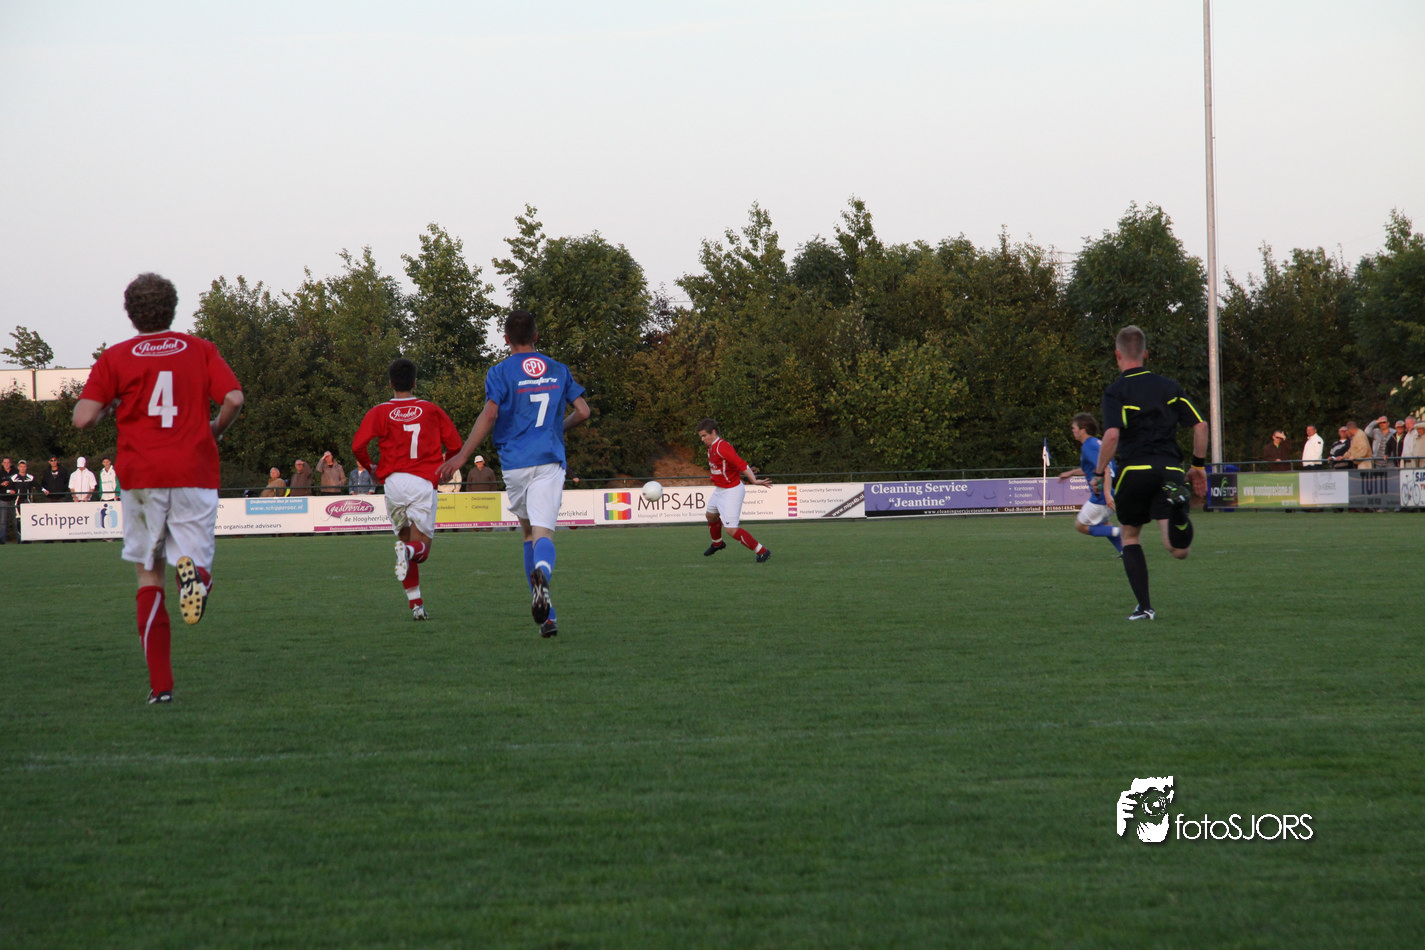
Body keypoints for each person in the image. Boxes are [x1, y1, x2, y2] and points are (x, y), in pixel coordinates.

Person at [72, 272, 244, 704]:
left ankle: (161, 688)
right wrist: (215, 429)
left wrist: (108, 406)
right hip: (194, 472)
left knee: (149, 575)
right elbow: (234, 399)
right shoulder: (200, 349)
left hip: (142, 478)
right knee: (196, 569)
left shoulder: (116, 357)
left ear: (130, 313)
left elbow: (82, 418)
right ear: (172, 308)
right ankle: (198, 581)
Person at [438, 310, 591, 638]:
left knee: (527, 535)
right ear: (536, 336)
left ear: (506, 339)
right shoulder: (558, 369)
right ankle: (543, 574)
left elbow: (490, 413)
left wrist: (462, 456)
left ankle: (547, 617)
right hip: (549, 460)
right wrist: (557, 429)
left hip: (515, 463)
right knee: (543, 534)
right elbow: (583, 412)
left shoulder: (500, 371)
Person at [1091, 325, 1208, 621]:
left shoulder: (1116, 391)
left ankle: (1145, 607)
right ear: (1145, 354)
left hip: (1135, 469)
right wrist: (1197, 466)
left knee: (1130, 536)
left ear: (1117, 355)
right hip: (1170, 470)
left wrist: (1099, 472)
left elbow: (1112, 436)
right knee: (1178, 549)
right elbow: (1201, 426)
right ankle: (1177, 512)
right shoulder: (1169, 387)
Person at [353, 357, 463, 622]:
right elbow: (456, 445)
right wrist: (447, 467)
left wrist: (371, 468)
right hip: (422, 482)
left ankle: (417, 606)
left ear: (391, 383)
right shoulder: (431, 409)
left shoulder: (379, 411)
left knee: (405, 542)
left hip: (393, 484)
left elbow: (357, 446)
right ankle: (409, 555)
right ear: (415, 383)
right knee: (418, 550)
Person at [695, 417, 773, 563]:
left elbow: (741, 463)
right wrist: (743, 471)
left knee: (731, 530)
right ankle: (718, 544)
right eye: (701, 436)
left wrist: (753, 480)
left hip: (732, 491)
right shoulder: (712, 446)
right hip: (720, 489)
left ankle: (762, 551)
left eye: (704, 435)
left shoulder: (722, 447)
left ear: (713, 432)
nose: (702, 439)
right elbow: (729, 465)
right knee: (711, 516)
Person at [1056, 413, 1122, 555]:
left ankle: (1122, 532)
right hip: (1108, 491)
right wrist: (1071, 473)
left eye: (1074, 427)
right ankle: (1125, 551)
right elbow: (1094, 468)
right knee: (1103, 524)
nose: (1072, 430)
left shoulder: (1089, 446)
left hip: (1101, 494)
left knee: (1080, 526)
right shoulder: (1096, 443)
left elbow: (1105, 468)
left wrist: (1106, 494)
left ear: (1083, 430)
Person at [0, 457, 16, 543]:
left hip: (14, 499)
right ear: (2, 464)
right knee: (3, 522)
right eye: (5, 462)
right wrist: (2, 484)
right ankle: (2, 540)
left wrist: (14, 491)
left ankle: (20, 539)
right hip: (3, 500)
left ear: (11, 463)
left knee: (16, 520)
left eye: (8, 462)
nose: (6, 464)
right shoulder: (0, 473)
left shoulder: (15, 472)